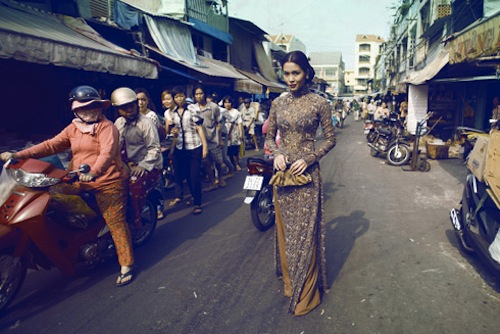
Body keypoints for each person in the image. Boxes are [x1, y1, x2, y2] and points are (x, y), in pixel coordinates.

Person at [0, 85, 135, 286]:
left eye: (94, 106)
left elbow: (107, 154)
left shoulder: (108, 128)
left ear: (100, 107)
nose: (90, 110)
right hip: (78, 178)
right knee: (50, 196)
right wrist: (18, 154)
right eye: (84, 108)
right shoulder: (73, 128)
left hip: (108, 181)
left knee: (115, 222)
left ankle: (127, 264)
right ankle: (76, 233)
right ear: (76, 110)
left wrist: (93, 172)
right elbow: (50, 145)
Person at [265, 50, 336, 316]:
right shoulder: (277, 103)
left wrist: (310, 157)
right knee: (286, 232)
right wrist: (278, 153)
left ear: (306, 73)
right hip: (283, 175)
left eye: (296, 73)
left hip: (307, 174)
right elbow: (271, 137)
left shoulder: (319, 103)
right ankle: (290, 283)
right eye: (286, 73)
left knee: (305, 234)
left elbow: (330, 139)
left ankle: (306, 294)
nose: (291, 78)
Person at [111, 87, 163, 225]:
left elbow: (154, 148)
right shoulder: (119, 123)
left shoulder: (146, 123)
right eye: (124, 108)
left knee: (134, 184)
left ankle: (136, 221)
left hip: (149, 165)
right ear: (118, 109)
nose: (129, 110)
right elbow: (115, 146)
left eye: (132, 106)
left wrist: (143, 165)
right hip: (128, 163)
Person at [168, 86, 208, 215]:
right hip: (180, 148)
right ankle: (192, 196)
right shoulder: (173, 113)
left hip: (194, 146)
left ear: (185, 96)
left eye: (181, 96)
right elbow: (175, 132)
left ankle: (197, 203)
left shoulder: (192, 109)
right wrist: (173, 148)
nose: (179, 99)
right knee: (185, 176)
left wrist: (205, 146)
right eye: (176, 97)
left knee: (194, 176)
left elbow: (199, 128)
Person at [191, 85, 226, 191]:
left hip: (213, 138)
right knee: (206, 163)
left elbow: (218, 123)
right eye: (196, 94)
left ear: (205, 94)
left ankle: (220, 177)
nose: (199, 96)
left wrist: (219, 139)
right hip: (200, 141)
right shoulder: (193, 108)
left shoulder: (213, 107)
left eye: (200, 93)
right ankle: (212, 181)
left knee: (218, 162)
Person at [222, 96, 243, 171]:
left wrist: (241, 133)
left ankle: (236, 163)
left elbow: (239, 123)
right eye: (225, 102)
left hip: (234, 134)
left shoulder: (236, 112)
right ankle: (232, 165)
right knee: (228, 151)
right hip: (225, 134)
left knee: (235, 150)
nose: (227, 104)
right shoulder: (222, 111)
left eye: (229, 102)